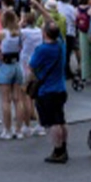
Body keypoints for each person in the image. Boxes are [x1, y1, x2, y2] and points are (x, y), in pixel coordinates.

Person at [30, 23, 69, 164]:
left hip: (47, 90)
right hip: (60, 87)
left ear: (45, 34)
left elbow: (32, 66)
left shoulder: (42, 50)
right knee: (61, 120)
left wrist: (36, 77)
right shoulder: (61, 45)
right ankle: (63, 147)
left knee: (53, 123)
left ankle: (57, 150)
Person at [0, 11, 26, 139]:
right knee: (18, 99)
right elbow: (21, 48)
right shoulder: (19, 34)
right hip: (17, 65)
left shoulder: (1, 34)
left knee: (5, 100)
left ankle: (7, 129)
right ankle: (19, 130)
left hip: (6, 65)